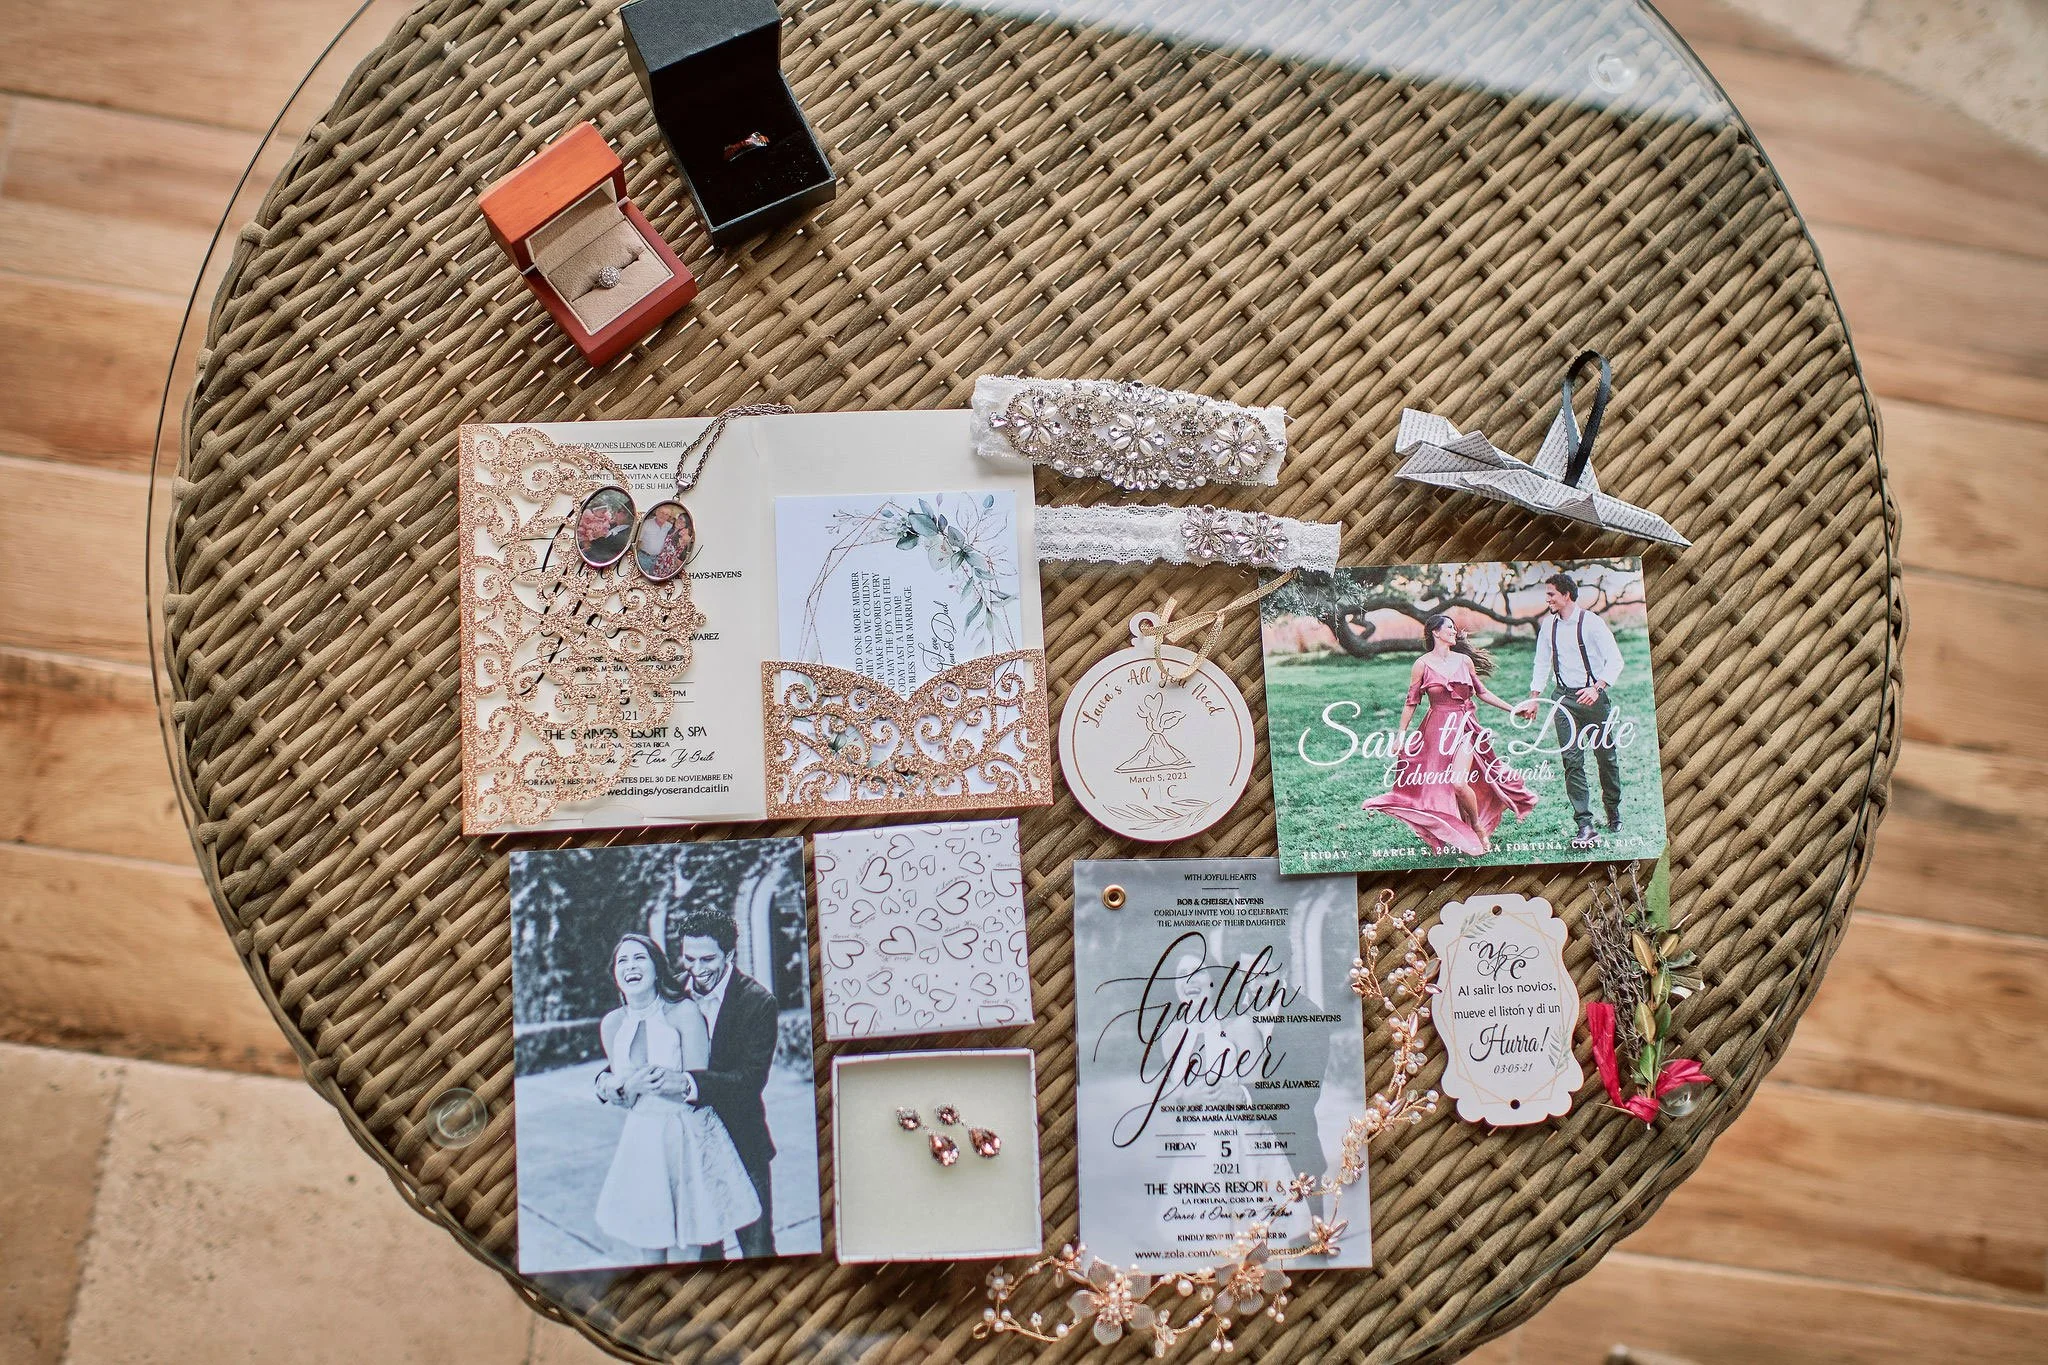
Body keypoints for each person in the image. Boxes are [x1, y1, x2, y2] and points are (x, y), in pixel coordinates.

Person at [589, 934, 760, 1261]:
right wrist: (617, 1087)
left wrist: (677, 1083)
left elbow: (701, 1082)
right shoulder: (612, 1024)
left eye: (639, 958)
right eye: (622, 961)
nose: (630, 966)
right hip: (642, 1140)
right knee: (648, 1243)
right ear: (614, 974)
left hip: (687, 1136)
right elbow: (626, 1099)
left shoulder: (683, 1012)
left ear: (656, 968)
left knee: (691, 1243)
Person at [652, 911, 782, 1259]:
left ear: (729, 955)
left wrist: (688, 1084)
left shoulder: (758, 1002)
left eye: (707, 959)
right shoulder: (670, 991)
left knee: (757, 1247)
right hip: (690, 1146)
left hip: (742, 1142)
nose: (696, 969)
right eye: (689, 958)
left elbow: (750, 1081)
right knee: (706, 1253)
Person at [1360, 614, 1534, 856]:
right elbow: (1411, 703)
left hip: (1464, 727)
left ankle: (1477, 827)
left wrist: (1514, 709)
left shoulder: (1464, 661)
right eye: (1449, 628)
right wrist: (1401, 735)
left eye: (1454, 627)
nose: (1454, 631)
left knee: (1458, 782)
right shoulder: (1421, 664)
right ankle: (1446, 830)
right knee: (1433, 791)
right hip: (1435, 732)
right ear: (1435, 632)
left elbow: (1482, 693)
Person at [1513, 573, 1625, 849]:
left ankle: (1613, 810)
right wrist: (1535, 698)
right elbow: (1541, 663)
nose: (1547, 599)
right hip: (1563, 699)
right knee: (1572, 761)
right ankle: (1584, 824)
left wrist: (1597, 688)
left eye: (1551, 594)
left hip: (1594, 699)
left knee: (1606, 758)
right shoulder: (1548, 626)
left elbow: (1616, 660)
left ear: (1567, 595)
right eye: (1547, 594)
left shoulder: (1592, 623)